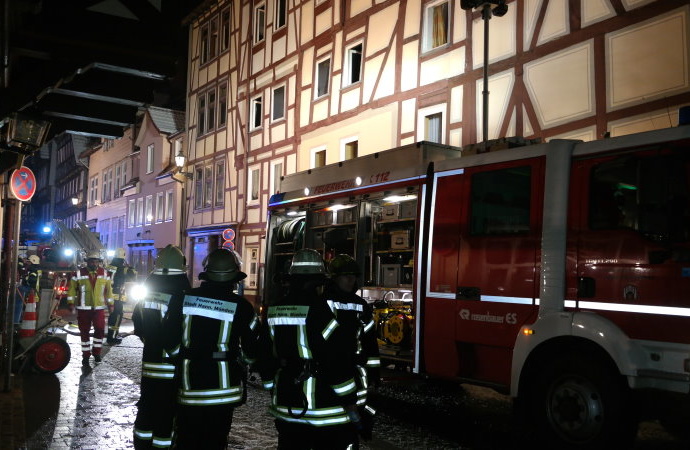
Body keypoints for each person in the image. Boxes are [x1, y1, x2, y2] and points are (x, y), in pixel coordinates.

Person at [257, 249, 361, 450]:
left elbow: (264, 354)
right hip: (323, 407)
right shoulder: (321, 310)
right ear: (318, 282)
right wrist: (349, 399)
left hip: (287, 401)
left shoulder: (274, 309)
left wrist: (273, 387)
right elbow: (335, 358)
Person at [163, 248, 260, 449]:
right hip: (224, 391)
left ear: (207, 273)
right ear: (235, 277)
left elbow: (170, 341)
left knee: (187, 440)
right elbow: (253, 350)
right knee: (215, 440)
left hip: (189, 386)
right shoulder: (242, 306)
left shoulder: (183, 298)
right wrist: (248, 362)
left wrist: (181, 359)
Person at [132, 245, 191, 449]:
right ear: (182, 266)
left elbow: (137, 323)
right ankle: (162, 445)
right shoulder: (181, 291)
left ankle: (141, 444)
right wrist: (177, 354)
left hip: (150, 362)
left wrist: (151, 342)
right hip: (170, 366)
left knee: (147, 407)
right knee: (166, 410)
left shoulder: (149, 289)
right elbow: (177, 329)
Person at [324, 254, 381, 440]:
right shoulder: (323, 303)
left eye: (354, 276)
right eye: (346, 276)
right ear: (334, 278)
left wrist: (374, 372)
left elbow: (370, 342)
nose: (351, 280)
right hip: (333, 368)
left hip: (356, 371)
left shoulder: (361, 305)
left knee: (356, 416)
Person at [67, 250, 114, 366]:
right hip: (84, 309)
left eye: (96, 261)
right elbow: (72, 289)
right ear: (87, 262)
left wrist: (111, 304)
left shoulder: (105, 274)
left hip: (99, 309)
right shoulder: (78, 274)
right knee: (84, 332)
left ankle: (97, 353)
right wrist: (71, 303)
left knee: (100, 329)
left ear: (99, 262)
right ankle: (86, 355)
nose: (93, 263)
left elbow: (109, 291)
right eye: (91, 261)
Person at [106, 247, 137, 345]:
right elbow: (133, 276)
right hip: (117, 296)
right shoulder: (123, 268)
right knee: (117, 316)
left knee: (112, 316)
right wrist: (130, 268)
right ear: (123, 256)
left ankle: (111, 335)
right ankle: (112, 337)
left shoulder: (109, 266)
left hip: (109, 295)